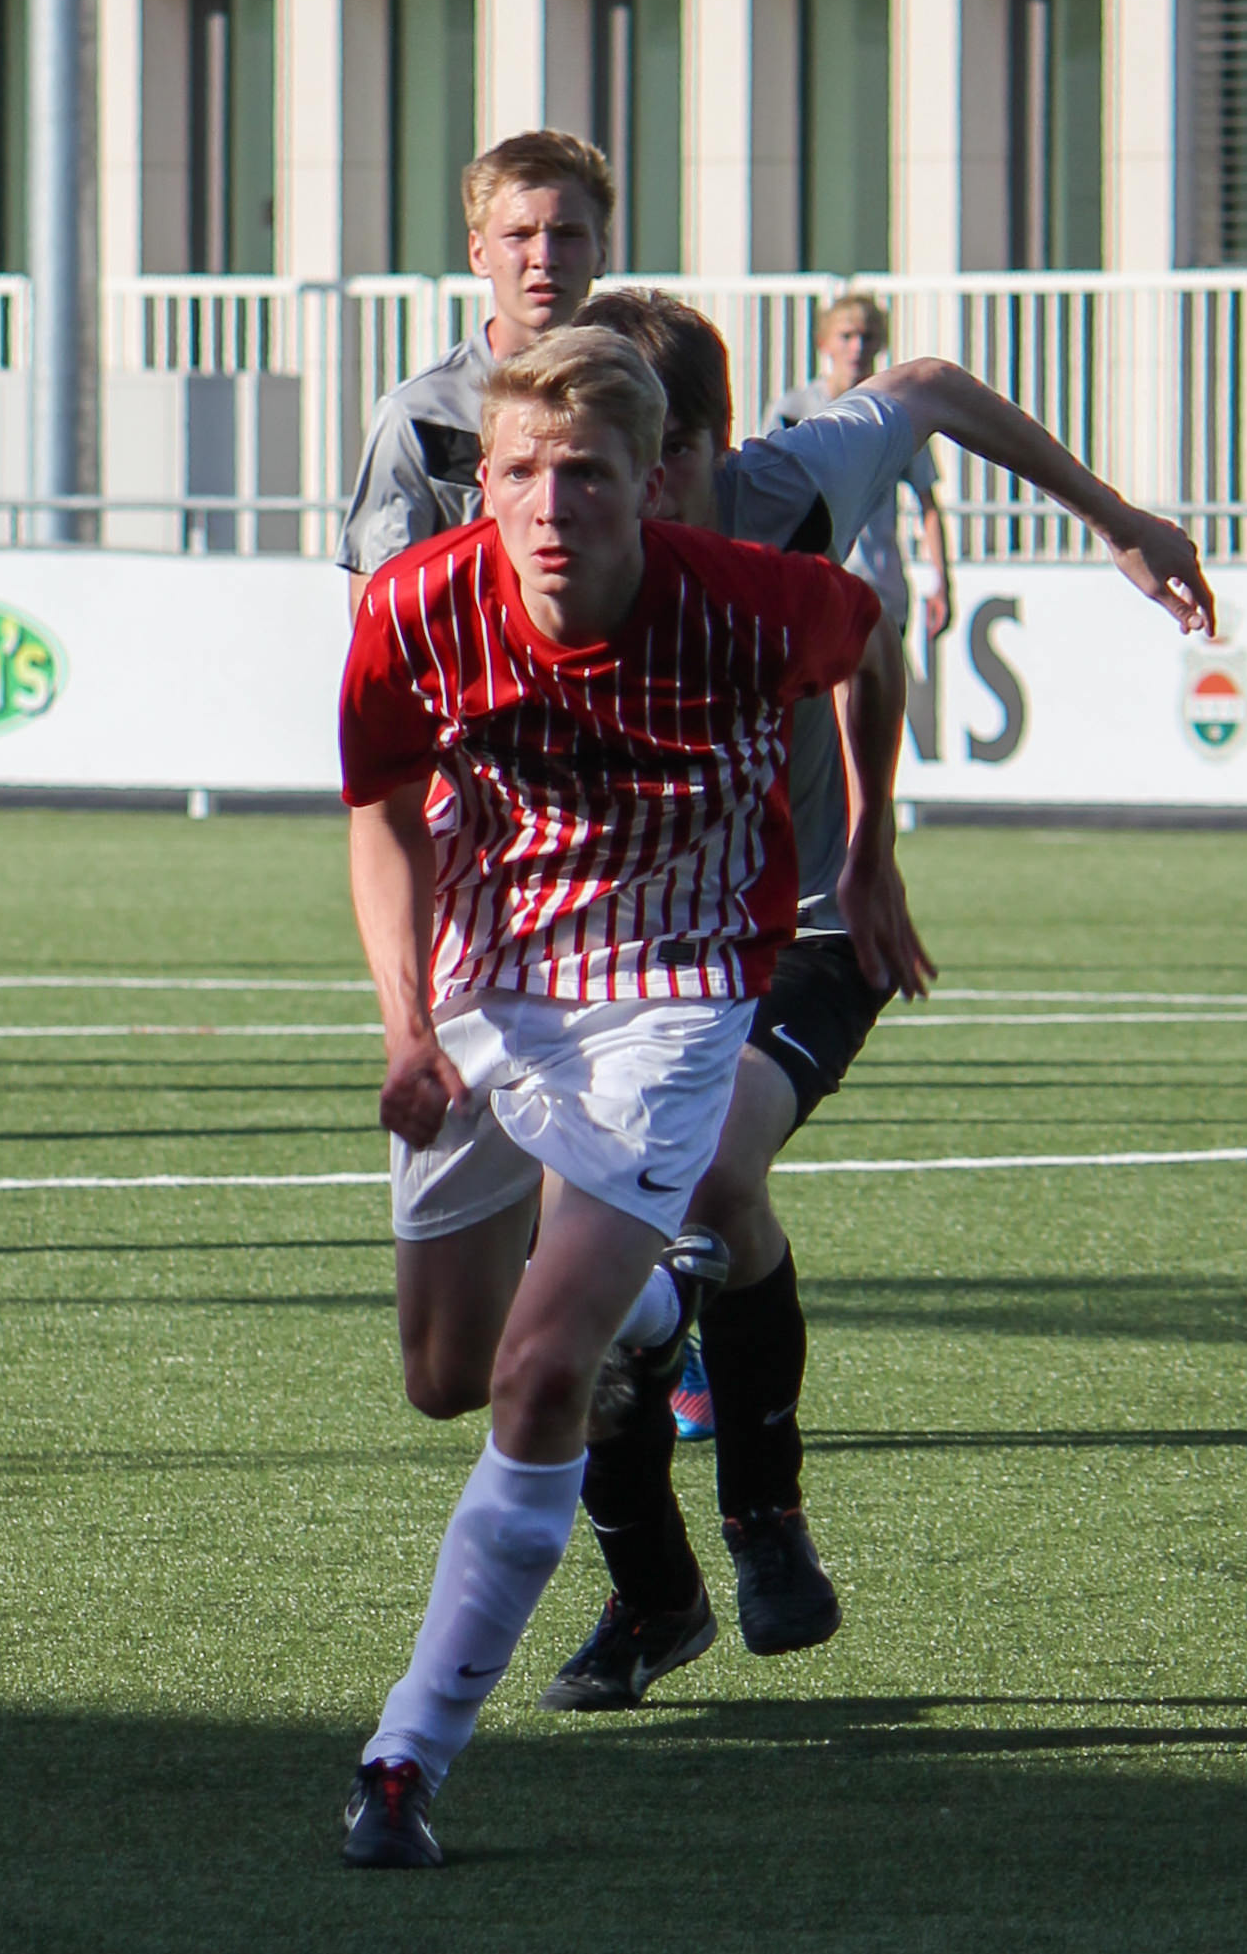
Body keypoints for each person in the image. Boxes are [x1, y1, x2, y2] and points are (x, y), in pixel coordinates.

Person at [520, 291, 1217, 1709]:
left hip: (812, 927)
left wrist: (1116, 519)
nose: (622, 492)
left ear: (711, 445)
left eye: (655, 457)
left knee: (711, 1172)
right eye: (597, 459)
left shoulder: (790, 487)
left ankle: (763, 1514)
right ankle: (653, 1596)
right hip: (628, 946)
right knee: (567, 1283)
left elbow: (933, 392)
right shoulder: (554, 529)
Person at [336, 326, 886, 1867]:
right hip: (484, 982)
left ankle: (404, 1758)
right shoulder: (414, 605)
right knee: (444, 1373)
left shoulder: (748, 601)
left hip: (670, 994)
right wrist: (405, 1028)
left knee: (530, 1377)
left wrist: (872, 847)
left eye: (584, 472)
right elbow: (383, 813)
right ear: (483, 485)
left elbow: (871, 641)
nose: (549, 503)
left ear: (652, 482)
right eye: (519, 471)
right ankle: (652, 1310)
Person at [336, 130, 609, 613]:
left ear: (601, 250)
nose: (544, 258)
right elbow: (379, 609)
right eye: (519, 235)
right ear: (479, 253)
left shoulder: (646, 399)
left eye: (567, 234)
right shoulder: (420, 416)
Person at [774, 292, 953, 642]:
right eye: (847, 336)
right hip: (813, 588)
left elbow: (928, 503)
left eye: (867, 336)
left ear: (881, 343)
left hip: (878, 588)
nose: (857, 347)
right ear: (824, 342)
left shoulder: (896, 413)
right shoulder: (794, 409)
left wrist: (943, 583)